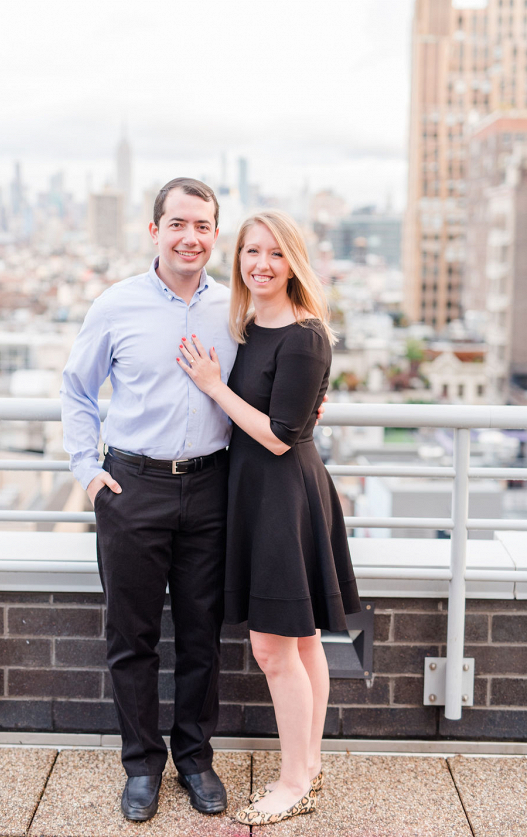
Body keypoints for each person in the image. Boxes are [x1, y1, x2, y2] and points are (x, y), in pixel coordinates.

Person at [177, 209, 361, 827]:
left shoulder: (304, 334)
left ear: (294, 263)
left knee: (273, 647)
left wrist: (211, 384)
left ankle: (292, 779)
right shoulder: (251, 326)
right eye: (251, 252)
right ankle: (307, 767)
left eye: (275, 254)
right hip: (256, 491)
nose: (260, 263)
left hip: (283, 492)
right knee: (302, 641)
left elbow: (282, 435)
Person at [60, 178, 237, 821]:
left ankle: (194, 758)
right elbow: (77, 390)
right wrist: (87, 469)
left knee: (201, 635)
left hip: (213, 485)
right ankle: (141, 765)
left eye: (204, 226)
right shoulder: (116, 305)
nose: (191, 237)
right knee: (130, 634)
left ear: (216, 234)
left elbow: (270, 372)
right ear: (156, 230)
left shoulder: (234, 306)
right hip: (133, 485)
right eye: (179, 224)